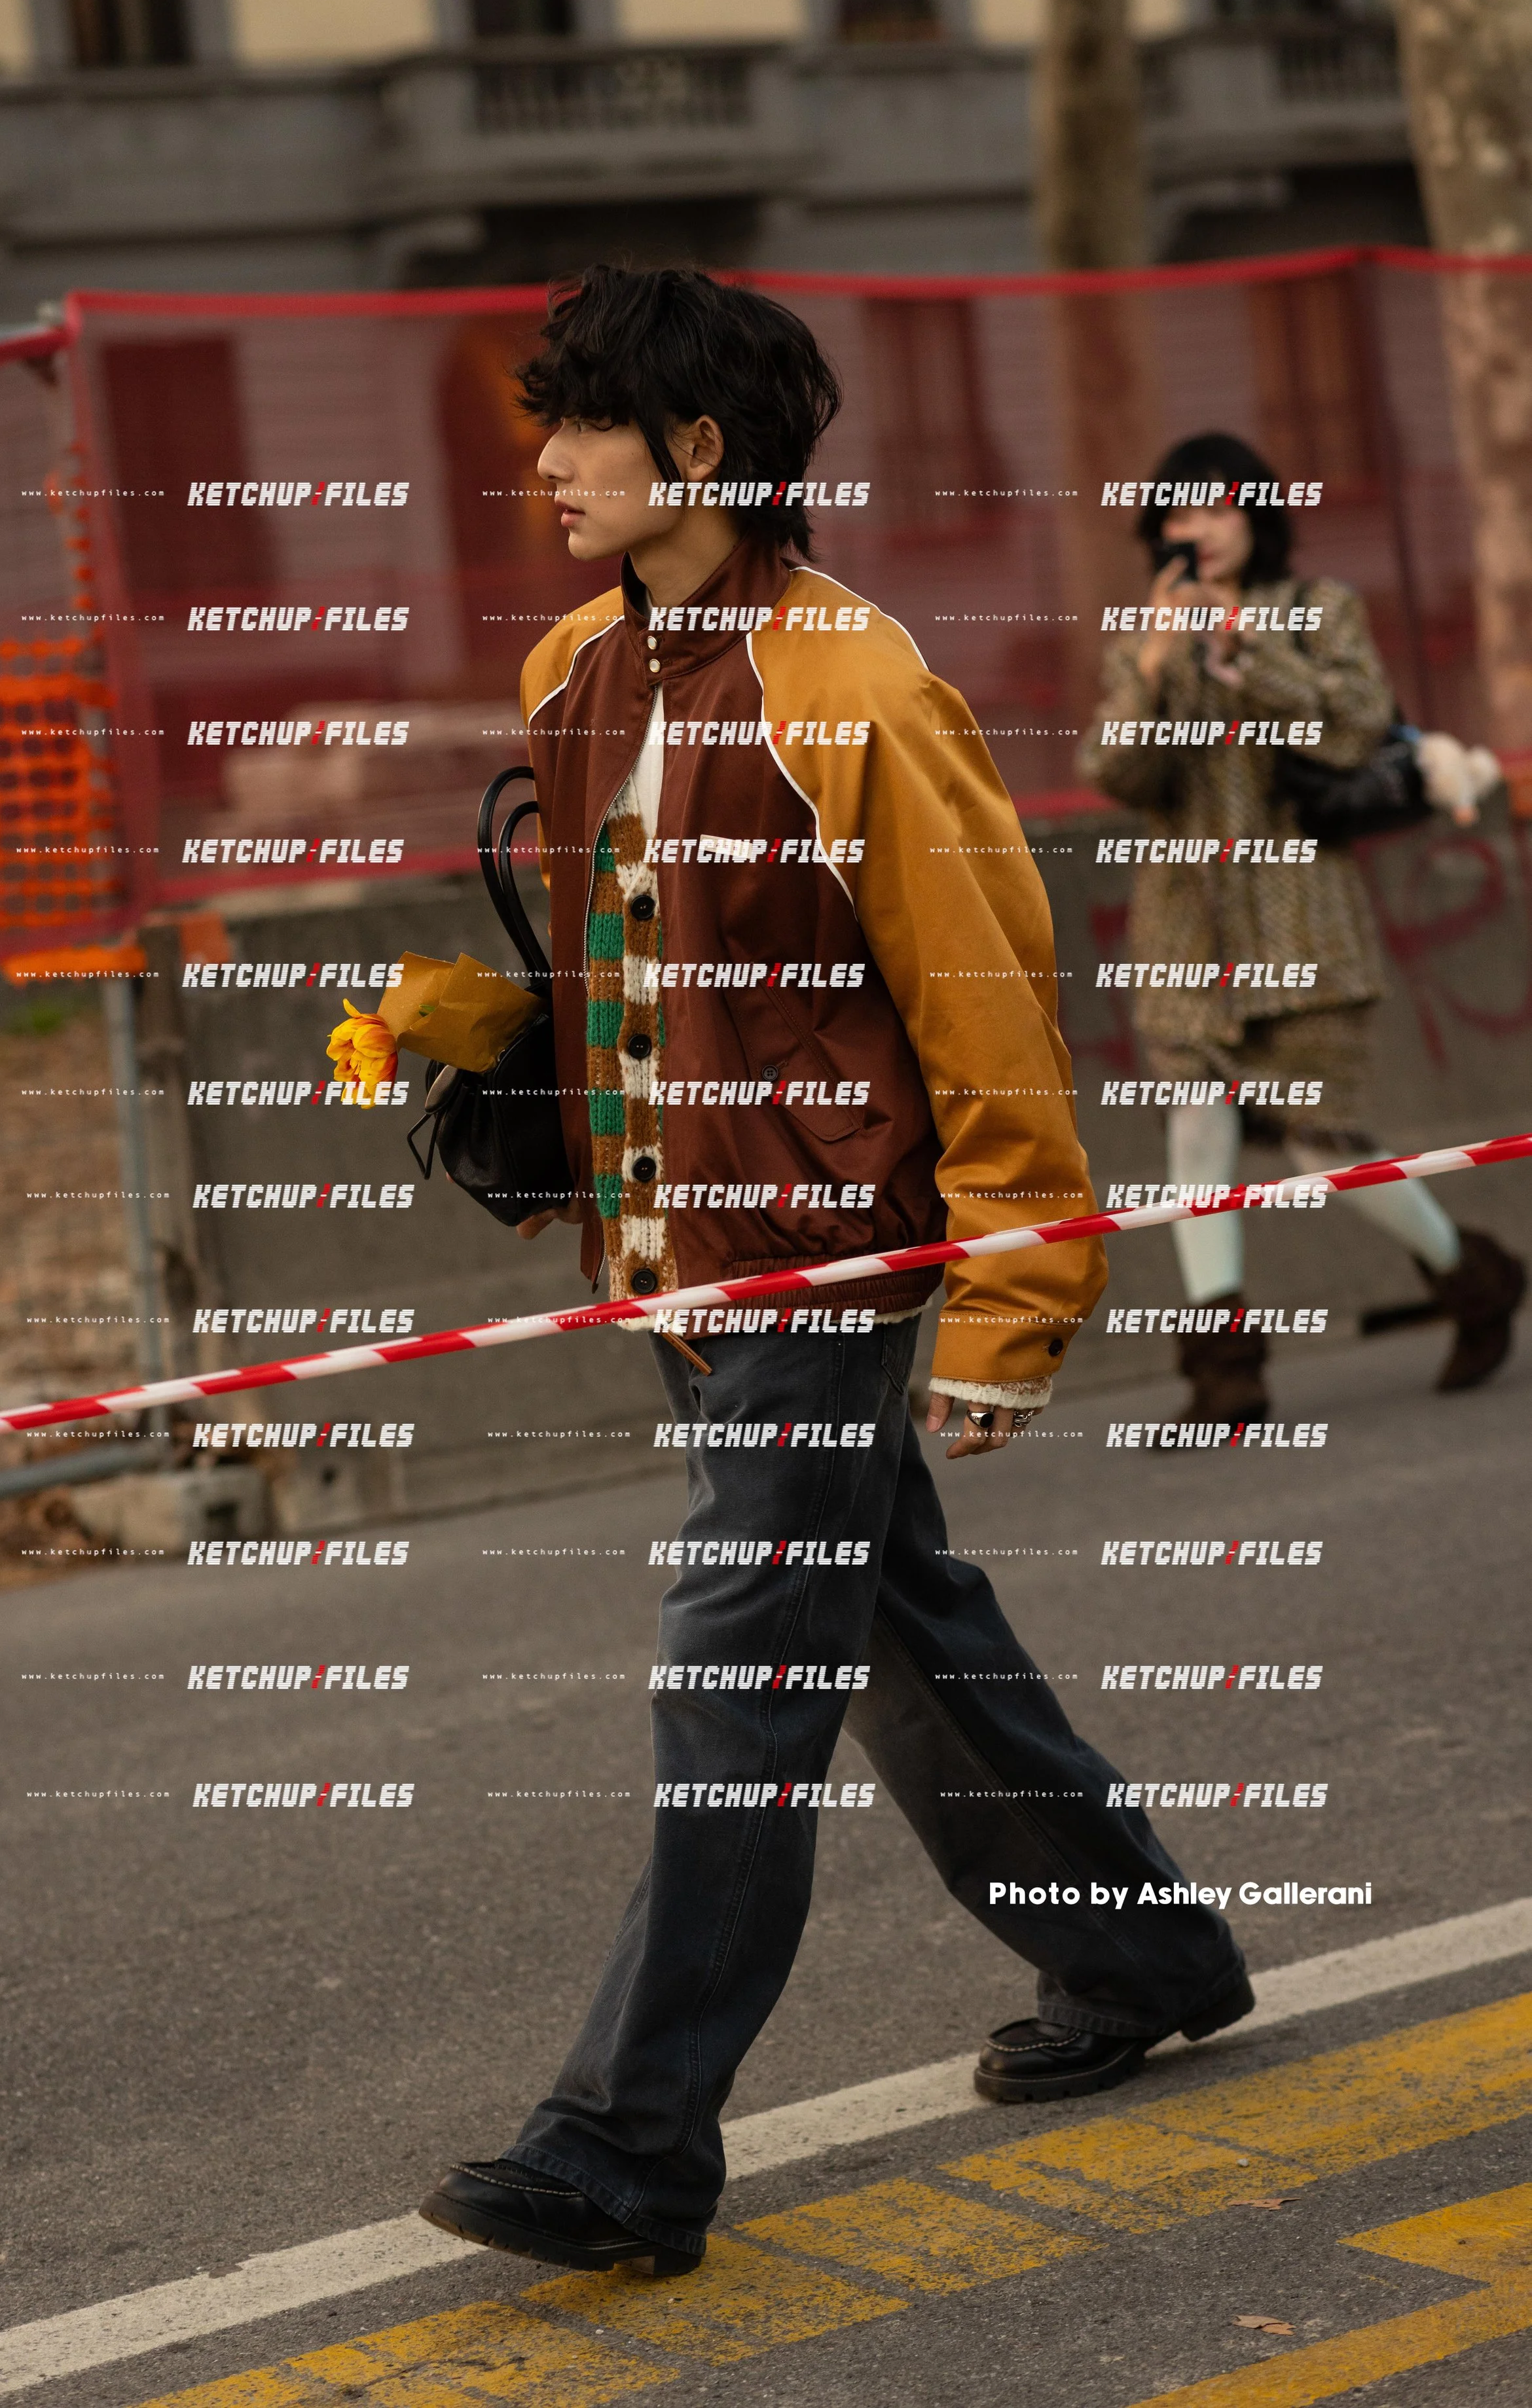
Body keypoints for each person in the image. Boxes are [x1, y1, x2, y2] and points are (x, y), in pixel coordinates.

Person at [420, 268, 1252, 2281]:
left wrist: (1011, 1301)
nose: (541, 464)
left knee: (739, 1690)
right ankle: (1138, 1955)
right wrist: (497, 1059)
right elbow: (623, 983)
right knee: (897, 1624)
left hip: (827, 1264)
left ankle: (624, 2147)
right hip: (686, 1262)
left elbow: (987, 1011)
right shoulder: (570, 674)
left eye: (577, 427)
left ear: (696, 451)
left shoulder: (858, 693)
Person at [1077, 431, 1523, 1424]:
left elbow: (1361, 721)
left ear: (1258, 516)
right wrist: (1154, 669)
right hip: (1184, 929)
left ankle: (1472, 1275)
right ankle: (1223, 1376)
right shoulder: (1143, 634)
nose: (1199, 532)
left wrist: (1250, 660)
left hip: (1302, 923)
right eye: (1179, 516)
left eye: (1219, 508)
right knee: (1196, 1130)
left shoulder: (1320, 612)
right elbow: (1117, 774)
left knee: (1323, 1142)